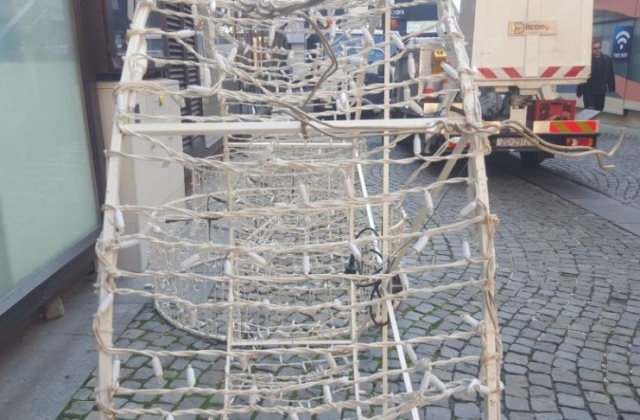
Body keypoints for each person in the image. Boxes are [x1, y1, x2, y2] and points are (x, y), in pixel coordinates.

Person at [577, 40, 616, 111]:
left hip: (601, 91)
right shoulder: (587, 61)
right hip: (589, 90)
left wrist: (612, 88)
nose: (597, 50)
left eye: (599, 48)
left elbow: (610, 74)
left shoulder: (607, 60)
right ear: (591, 49)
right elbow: (582, 76)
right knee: (589, 111)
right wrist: (579, 91)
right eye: (595, 48)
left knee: (599, 110)